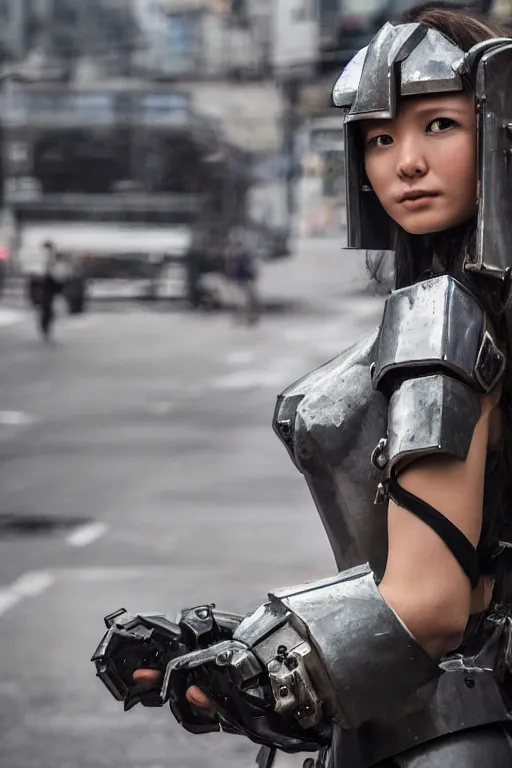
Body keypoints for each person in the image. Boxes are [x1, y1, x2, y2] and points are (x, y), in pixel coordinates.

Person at [91, 5, 512, 767]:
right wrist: (232, 641)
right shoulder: (471, 307)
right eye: (380, 137)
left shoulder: (441, 317)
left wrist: (251, 667)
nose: (404, 162)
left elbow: (431, 608)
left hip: (449, 733)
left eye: (439, 126)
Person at [39, 241, 69, 340]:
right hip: (48, 289)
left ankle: (46, 329)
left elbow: (59, 277)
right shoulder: (47, 260)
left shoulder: (54, 261)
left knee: (49, 310)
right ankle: (45, 330)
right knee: (46, 310)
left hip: (52, 289)